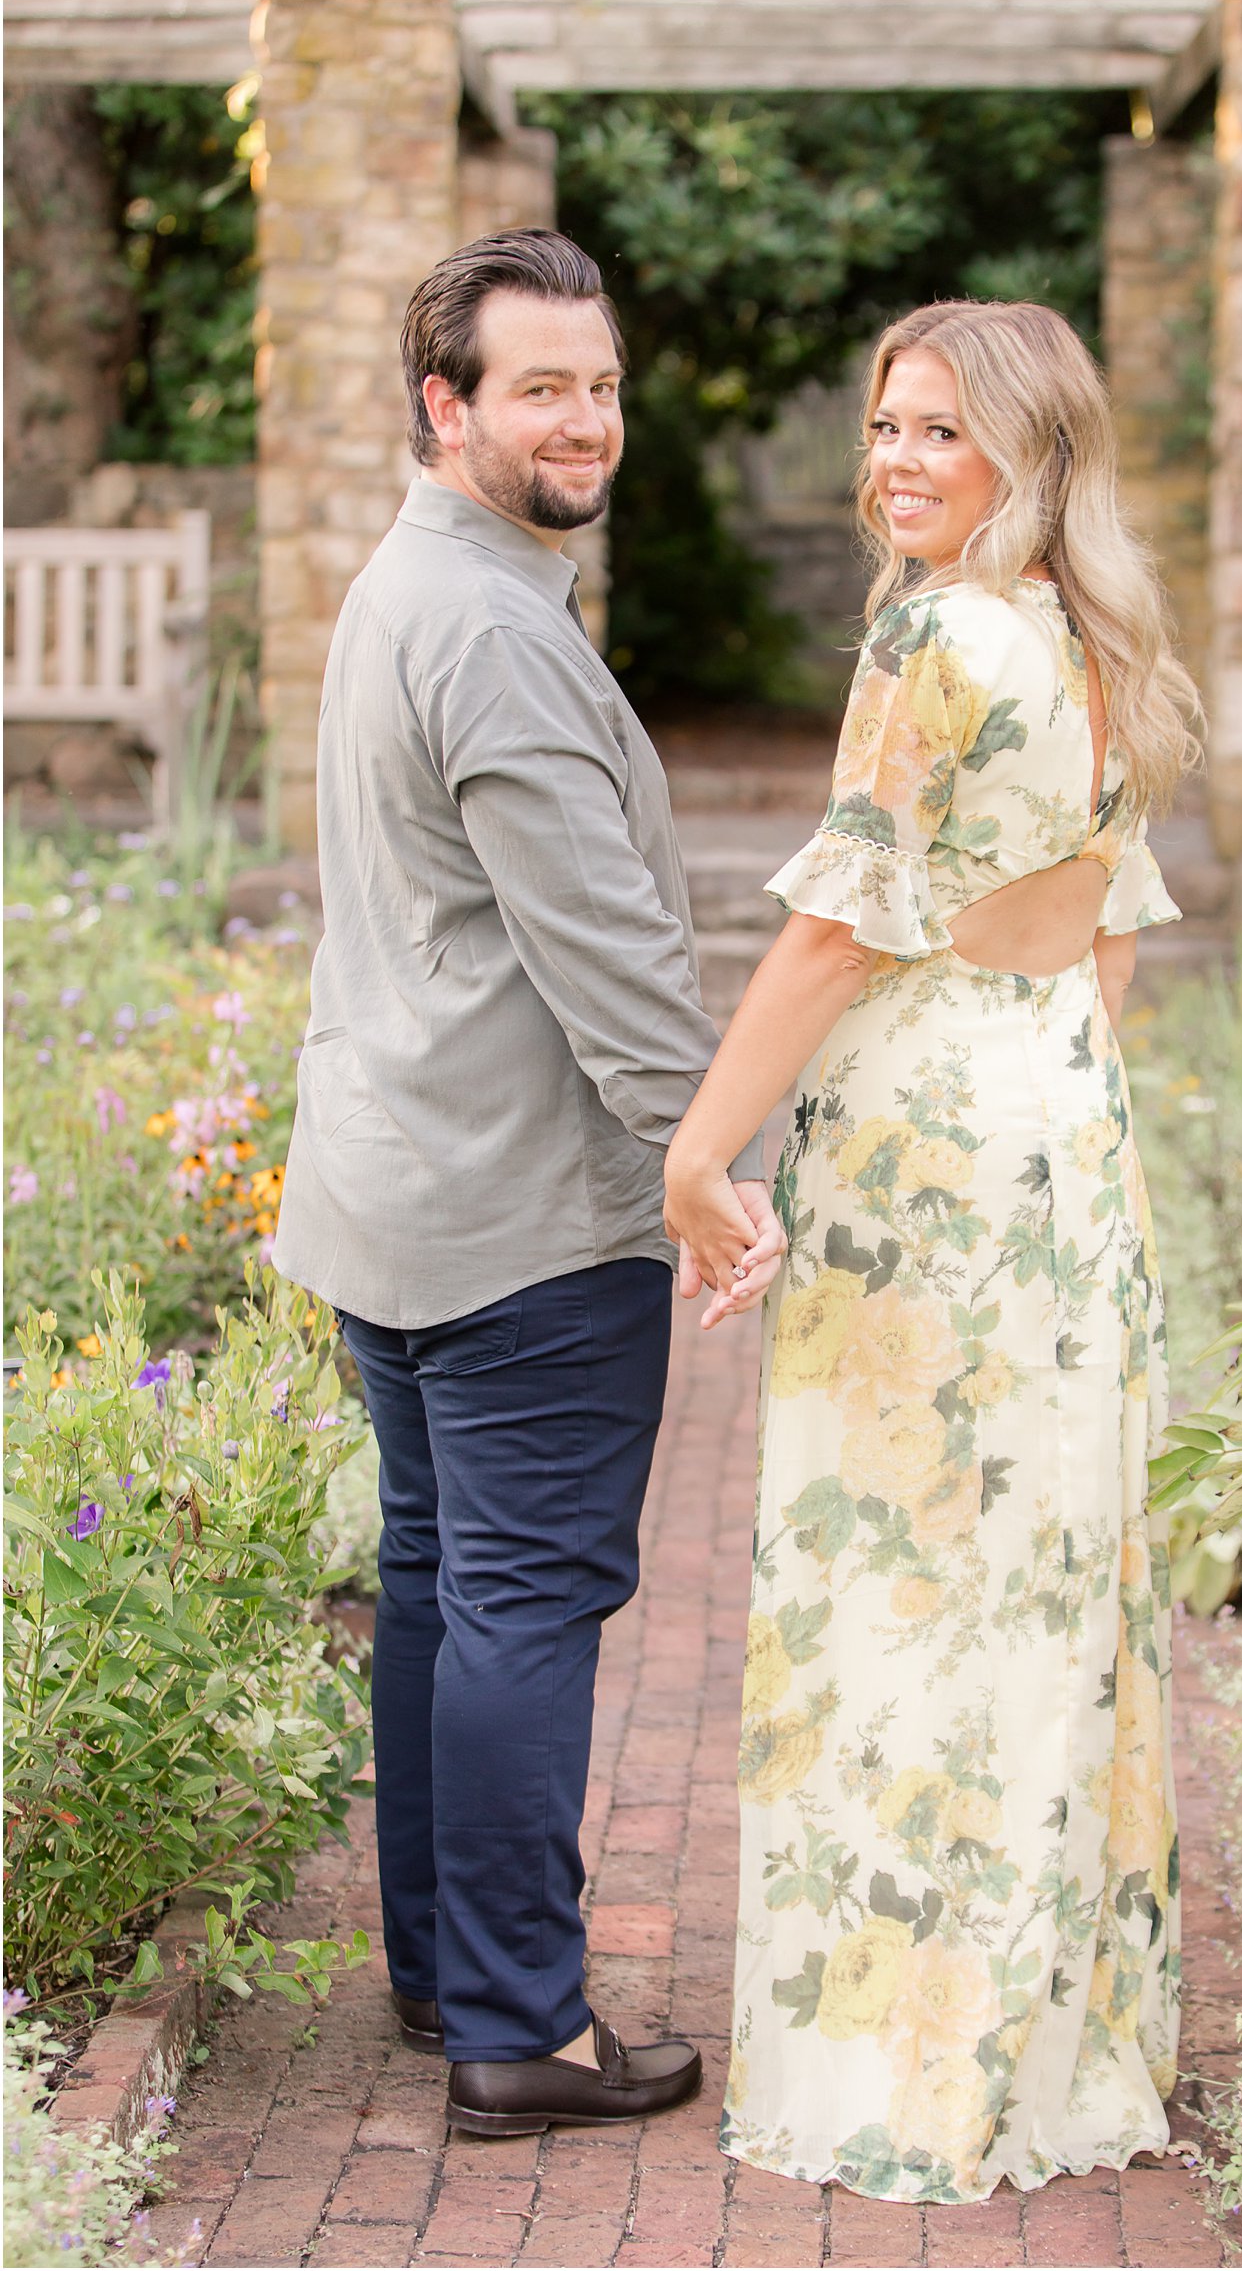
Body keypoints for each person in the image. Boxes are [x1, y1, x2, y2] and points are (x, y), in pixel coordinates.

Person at [664, 299, 1202, 2203]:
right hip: (1060, 1136)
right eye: (885, 428)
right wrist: (1034, 1097)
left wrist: (702, 1147)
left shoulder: (934, 634)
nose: (897, 463)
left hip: (932, 1155)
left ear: (1028, 458)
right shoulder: (1091, 641)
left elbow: (836, 935)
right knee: (1039, 1574)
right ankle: (1049, 2029)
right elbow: (1110, 947)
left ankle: (908, 2045)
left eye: (941, 438)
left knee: (896, 1584)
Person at [273, 228, 784, 2139]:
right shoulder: (491, 620)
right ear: (446, 404)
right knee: (519, 1601)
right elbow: (619, 971)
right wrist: (719, 1171)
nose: (587, 417)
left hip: (397, 1189)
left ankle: (441, 1968)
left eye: (602, 383)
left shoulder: (419, 579)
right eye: (541, 386)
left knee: (439, 1582)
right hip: (511, 1224)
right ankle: (515, 2022)